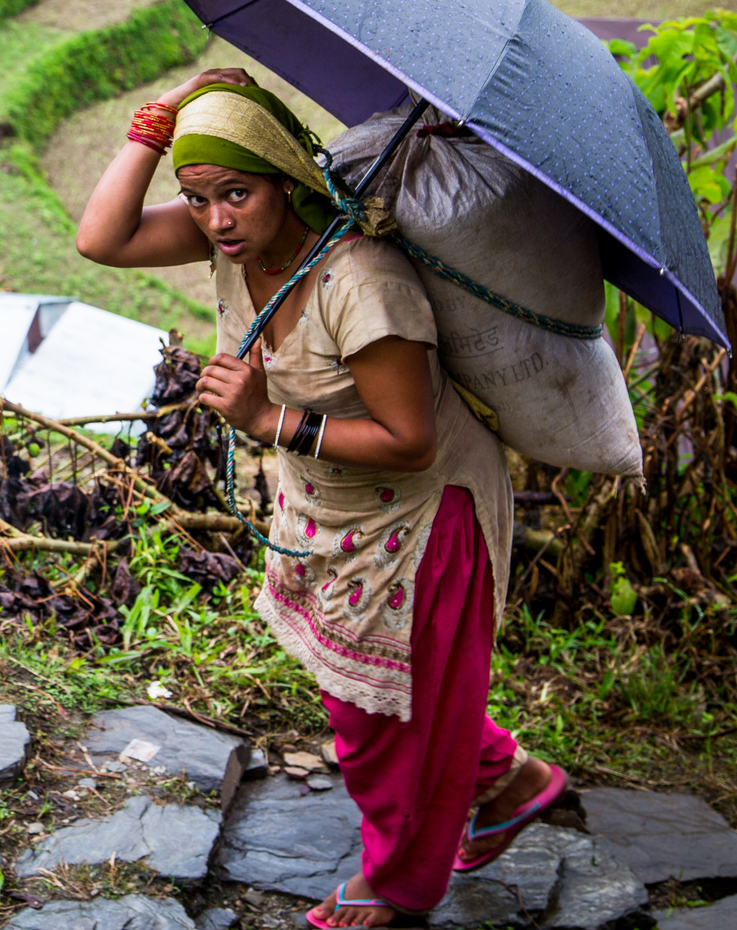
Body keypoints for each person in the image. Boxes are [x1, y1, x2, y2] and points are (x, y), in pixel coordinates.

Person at [76, 67, 572, 929]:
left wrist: (268, 416)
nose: (218, 219)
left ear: (286, 182)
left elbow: (409, 435)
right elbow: (101, 238)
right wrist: (157, 125)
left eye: (237, 193)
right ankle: (507, 777)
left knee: (380, 713)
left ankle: (400, 882)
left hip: (422, 511)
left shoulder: (362, 283)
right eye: (198, 200)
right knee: (393, 690)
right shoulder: (232, 247)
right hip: (332, 504)